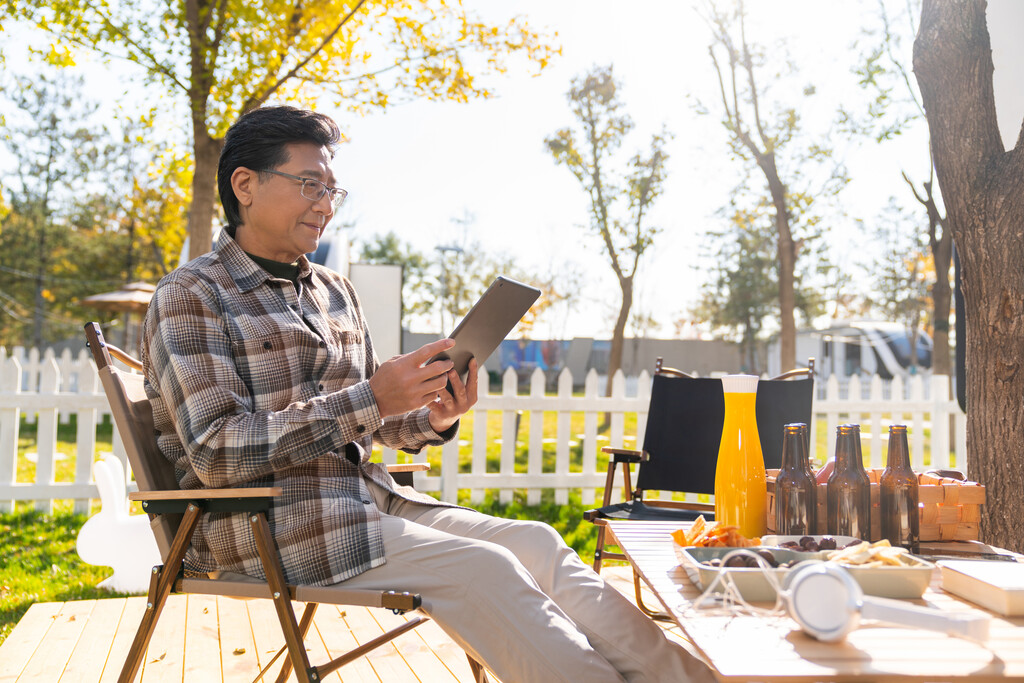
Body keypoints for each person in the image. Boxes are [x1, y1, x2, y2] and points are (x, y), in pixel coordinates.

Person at [141, 105, 713, 683]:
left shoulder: (335, 292)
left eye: (333, 189)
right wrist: (371, 398)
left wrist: (432, 416)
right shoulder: (192, 295)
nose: (325, 204)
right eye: (310, 184)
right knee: (482, 568)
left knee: (535, 541)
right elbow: (214, 452)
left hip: (370, 501)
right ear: (245, 185)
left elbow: (376, 424)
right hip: (267, 526)